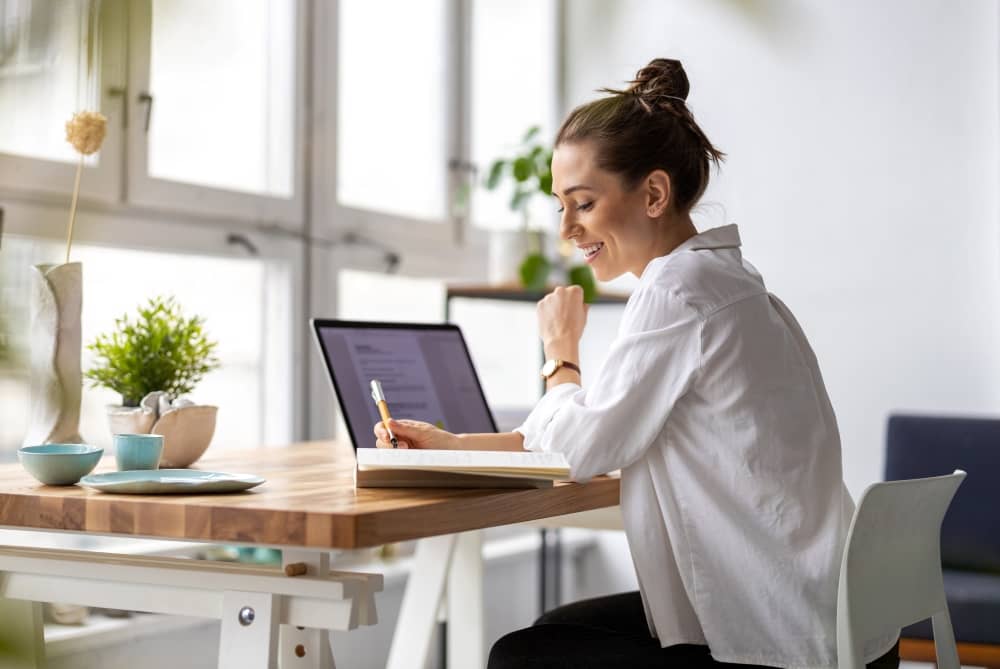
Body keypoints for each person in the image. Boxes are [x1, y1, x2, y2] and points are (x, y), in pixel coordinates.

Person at [373, 58, 900, 669]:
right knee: (554, 631)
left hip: (780, 640)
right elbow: (597, 429)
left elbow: (582, 450)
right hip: (831, 620)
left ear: (653, 193)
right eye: (559, 206)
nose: (567, 227)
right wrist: (453, 444)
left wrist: (559, 355)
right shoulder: (726, 281)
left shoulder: (678, 292)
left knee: (522, 655)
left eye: (583, 203)